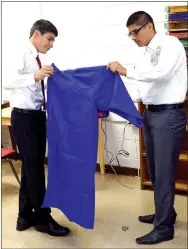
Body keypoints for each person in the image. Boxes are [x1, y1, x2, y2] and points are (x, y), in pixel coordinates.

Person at [107, 11, 187, 245]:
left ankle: (163, 228)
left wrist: (126, 71)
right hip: (151, 114)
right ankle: (166, 213)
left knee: (163, 173)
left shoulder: (171, 44)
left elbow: (160, 75)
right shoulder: (143, 53)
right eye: (130, 33)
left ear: (149, 26)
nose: (133, 37)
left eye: (135, 31)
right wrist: (114, 93)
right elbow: (143, 87)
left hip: (169, 115)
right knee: (153, 169)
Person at [4, 19, 70, 237]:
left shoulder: (35, 58)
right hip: (25, 118)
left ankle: (24, 216)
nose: (50, 44)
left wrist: (43, 74)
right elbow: (7, 80)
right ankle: (43, 218)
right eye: (49, 39)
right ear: (36, 34)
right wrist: (36, 76)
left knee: (31, 167)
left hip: (35, 117)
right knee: (34, 170)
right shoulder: (19, 52)